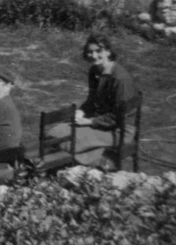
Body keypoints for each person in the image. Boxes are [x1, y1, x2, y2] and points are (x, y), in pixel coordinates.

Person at [46, 34, 139, 168]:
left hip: (119, 130)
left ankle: (100, 164)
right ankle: (87, 160)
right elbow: (92, 100)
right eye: (90, 52)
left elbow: (120, 116)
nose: (93, 56)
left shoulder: (120, 79)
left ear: (108, 51)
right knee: (54, 133)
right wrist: (82, 112)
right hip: (100, 122)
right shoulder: (95, 71)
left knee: (68, 142)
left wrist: (89, 122)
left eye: (98, 51)